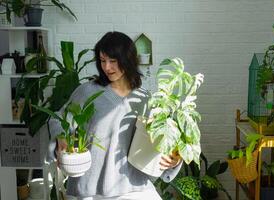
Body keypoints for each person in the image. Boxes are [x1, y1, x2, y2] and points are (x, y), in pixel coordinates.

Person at [47, 31, 182, 200]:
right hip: (91, 188)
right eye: (102, 61)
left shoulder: (144, 98)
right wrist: (61, 136)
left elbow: (156, 142)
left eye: (113, 61)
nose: (107, 67)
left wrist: (174, 160)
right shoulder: (87, 92)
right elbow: (58, 118)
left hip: (133, 185)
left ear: (127, 59)